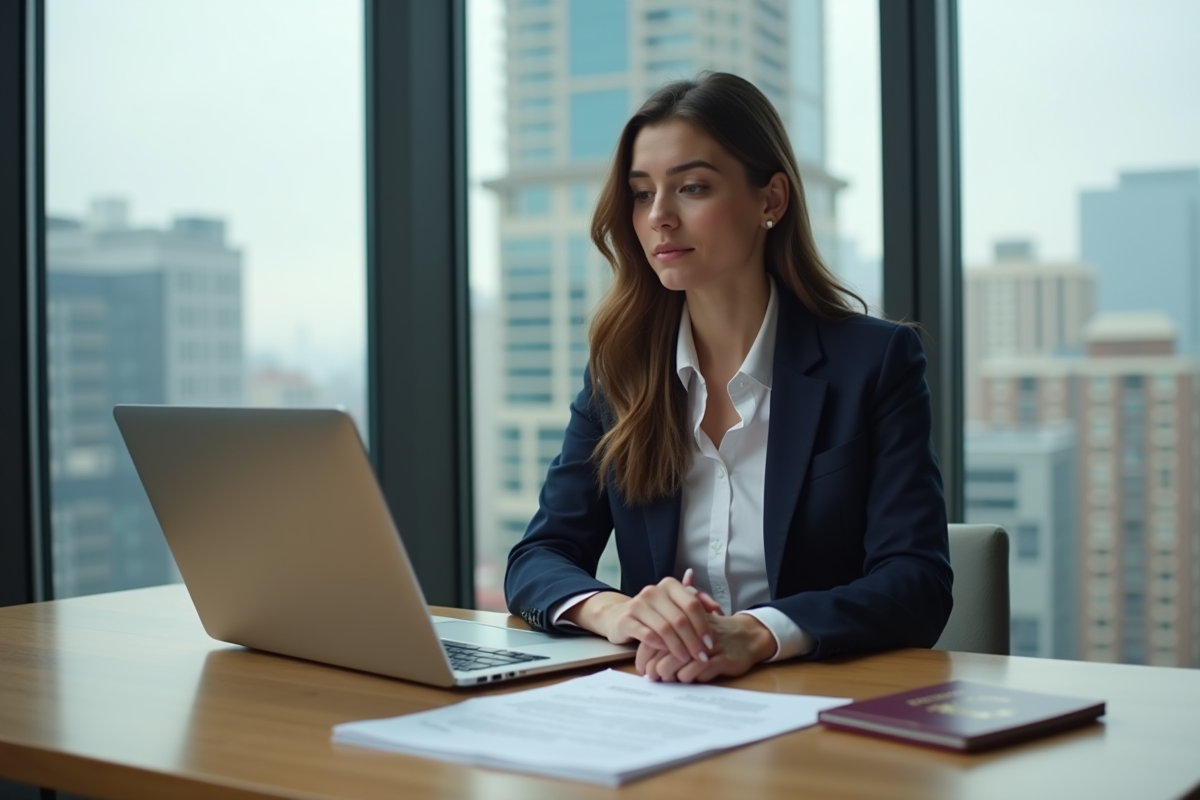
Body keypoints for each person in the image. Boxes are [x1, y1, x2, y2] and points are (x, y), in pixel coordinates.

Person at [505, 72, 952, 684]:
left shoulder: (874, 363)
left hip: (818, 709)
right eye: (640, 193)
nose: (659, 216)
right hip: (665, 704)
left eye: (691, 187)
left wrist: (756, 632)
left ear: (770, 200)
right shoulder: (623, 371)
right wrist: (621, 613)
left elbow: (917, 583)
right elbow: (537, 558)